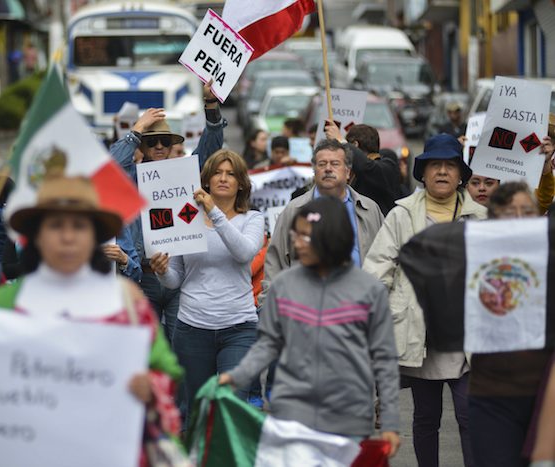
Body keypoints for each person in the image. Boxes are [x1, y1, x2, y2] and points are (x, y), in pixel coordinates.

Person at [0, 174, 183, 464]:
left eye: (79, 226)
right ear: (36, 236)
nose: (67, 236)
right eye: (55, 225)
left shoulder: (126, 303)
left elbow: (167, 370)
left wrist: (149, 386)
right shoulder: (1, 304)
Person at [219, 197, 401, 455]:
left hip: (349, 418)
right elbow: (268, 344)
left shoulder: (370, 291)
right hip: (293, 415)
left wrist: (391, 422)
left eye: (305, 236)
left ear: (330, 237)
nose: (296, 242)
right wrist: (236, 377)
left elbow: (385, 359)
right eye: (296, 234)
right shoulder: (284, 286)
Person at [363, 133, 487, 467]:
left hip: (466, 338)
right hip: (419, 334)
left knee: (469, 414)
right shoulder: (402, 214)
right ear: (423, 173)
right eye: (435, 165)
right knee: (426, 417)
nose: (442, 172)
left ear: (461, 174)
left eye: (450, 165)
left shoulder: (482, 217)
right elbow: (377, 269)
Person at [149, 149, 264, 419]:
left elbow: (244, 252)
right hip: (191, 329)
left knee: (232, 407)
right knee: (195, 411)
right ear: (207, 180)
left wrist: (213, 211)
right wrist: (161, 271)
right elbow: (175, 278)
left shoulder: (253, 219)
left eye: (231, 174)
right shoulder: (185, 218)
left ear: (241, 183)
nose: (223, 178)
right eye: (217, 173)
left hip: (239, 328)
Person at [110, 81, 226, 342]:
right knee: (145, 349)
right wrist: (138, 127)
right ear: (142, 146)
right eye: (152, 142)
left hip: (180, 277)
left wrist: (211, 105)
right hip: (143, 277)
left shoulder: (182, 173)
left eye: (164, 141)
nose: (160, 146)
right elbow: (112, 163)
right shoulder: (130, 178)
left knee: (180, 352)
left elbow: (211, 148)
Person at [468, 181, 552, 467]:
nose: (518, 218)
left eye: (526, 211)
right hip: (493, 396)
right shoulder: (475, 258)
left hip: (545, 395)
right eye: (509, 211)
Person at [264, 139, 384, 295]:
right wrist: (270, 303)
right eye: (322, 164)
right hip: (306, 308)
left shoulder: (369, 209)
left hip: (360, 305)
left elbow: (384, 259)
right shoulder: (294, 210)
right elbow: (275, 262)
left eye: (335, 164)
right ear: (314, 171)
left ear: (348, 172)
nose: (328, 169)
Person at [328, 121, 402, 215]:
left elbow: (365, 167)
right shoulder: (353, 171)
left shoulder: (386, 167)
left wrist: (341, 142)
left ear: (355, 145)